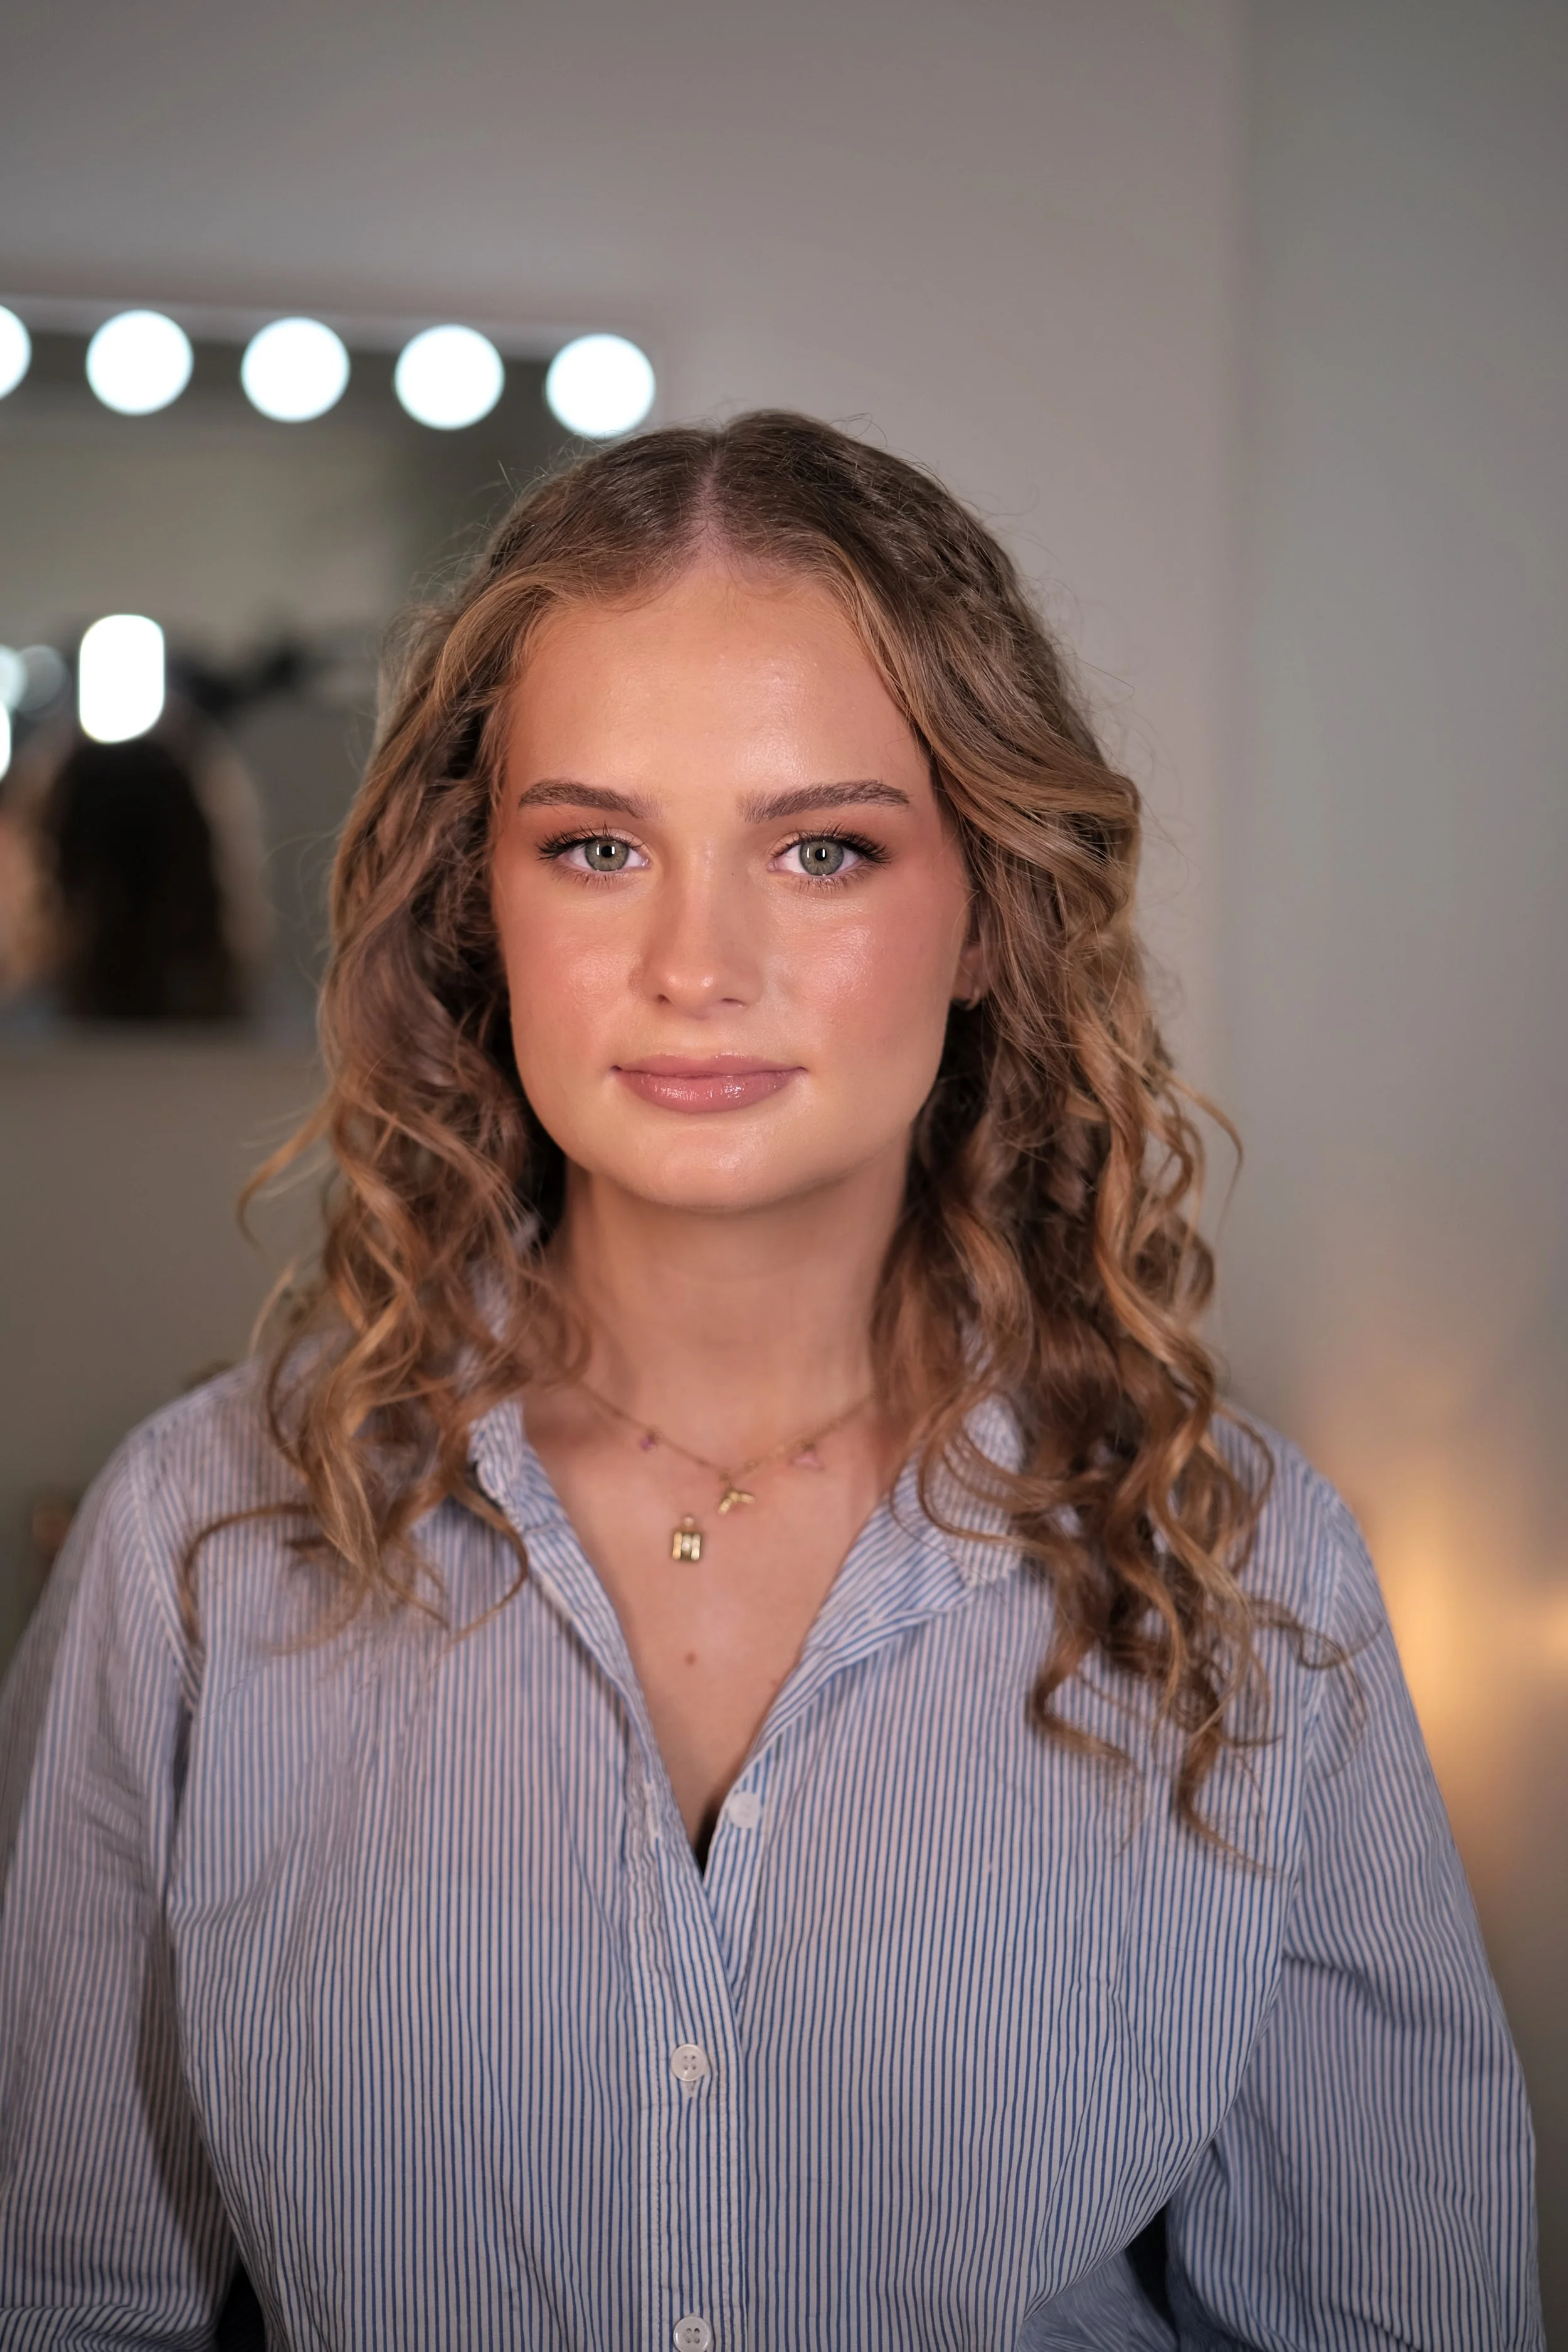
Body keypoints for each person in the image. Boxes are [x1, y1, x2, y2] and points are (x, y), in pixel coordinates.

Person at [0, 413, 1541, 2348]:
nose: (695, 963)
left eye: (821, 848)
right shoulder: (201, 1549)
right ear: (483, 905)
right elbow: (57, 2295)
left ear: (989, 908)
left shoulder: (1248, 1575)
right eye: (594, 845)